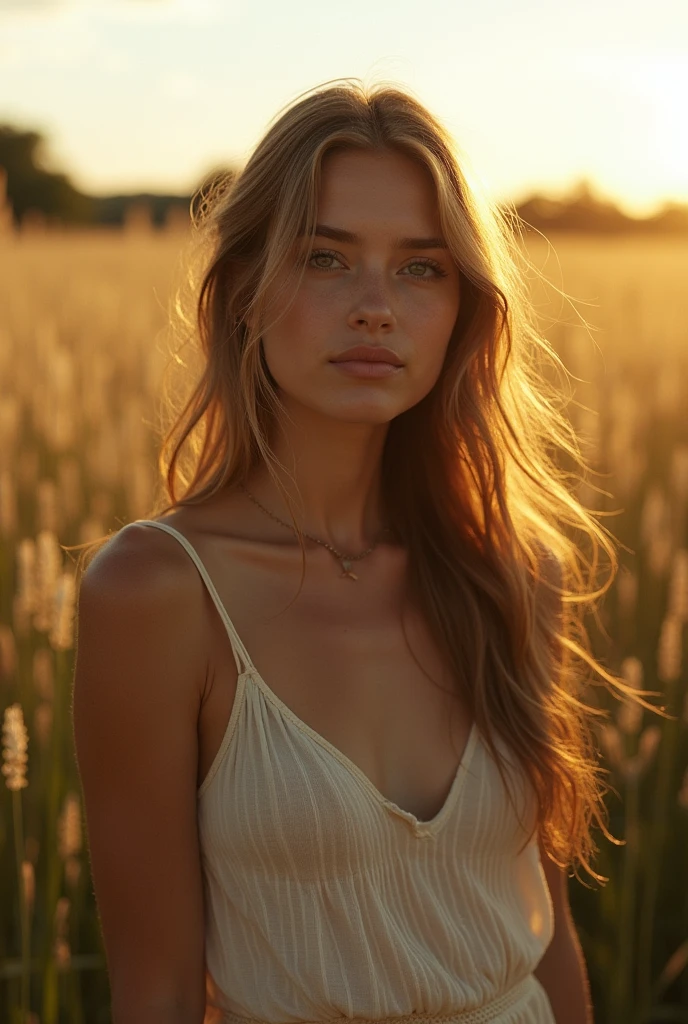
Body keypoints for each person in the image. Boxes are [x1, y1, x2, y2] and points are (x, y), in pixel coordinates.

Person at [72, 79, 634, 1024]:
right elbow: (157, 993)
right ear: (244, 290)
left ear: (464, 309)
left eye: (422, 269)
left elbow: (547, 940)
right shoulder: (157, 592)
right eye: (326, 258)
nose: (377, 306)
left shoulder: (513, 570)